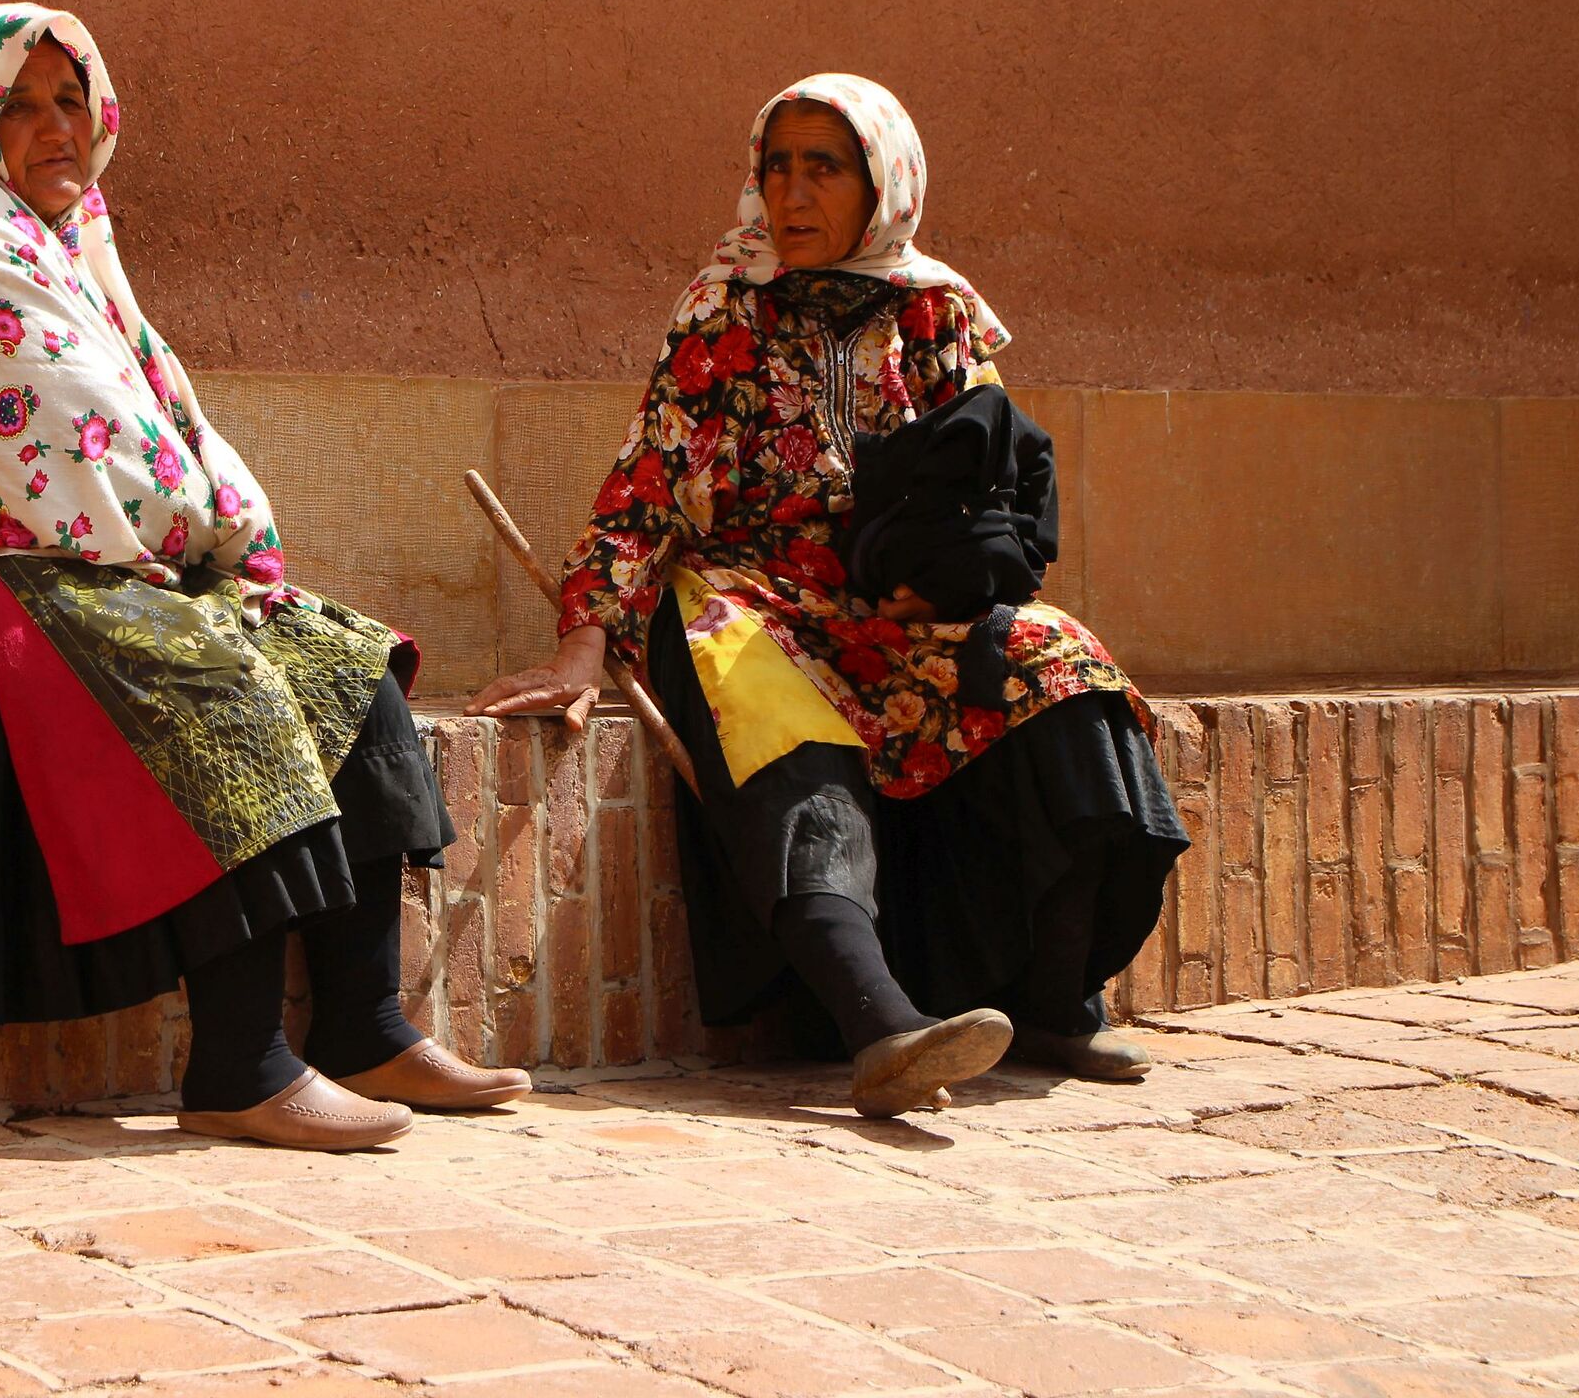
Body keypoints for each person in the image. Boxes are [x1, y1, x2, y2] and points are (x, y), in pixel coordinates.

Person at [0, 3, 529, 1152]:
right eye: (21, 104)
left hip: (89, 563)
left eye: (71, 99)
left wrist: (236, 546)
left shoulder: (71, 240)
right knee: (208, 679)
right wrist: (219, 535)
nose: (55, 128)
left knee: (340, 657)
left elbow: (161, 410)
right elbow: (96, 447)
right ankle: (239, 1064)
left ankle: (366, 1019)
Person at [471, 75, 1186, 1116]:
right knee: (779, 726)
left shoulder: (937, 309)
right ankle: (882, 1028)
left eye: (825, 167)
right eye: (778, 166)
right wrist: (584, 643)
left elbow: (994, 477)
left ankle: (1054, 997)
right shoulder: (727, 306)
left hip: (893, 604)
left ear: (883, 183)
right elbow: (648, 484)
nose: (792, 194)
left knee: (1062, 664)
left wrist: (952, 579)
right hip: (750, 589)